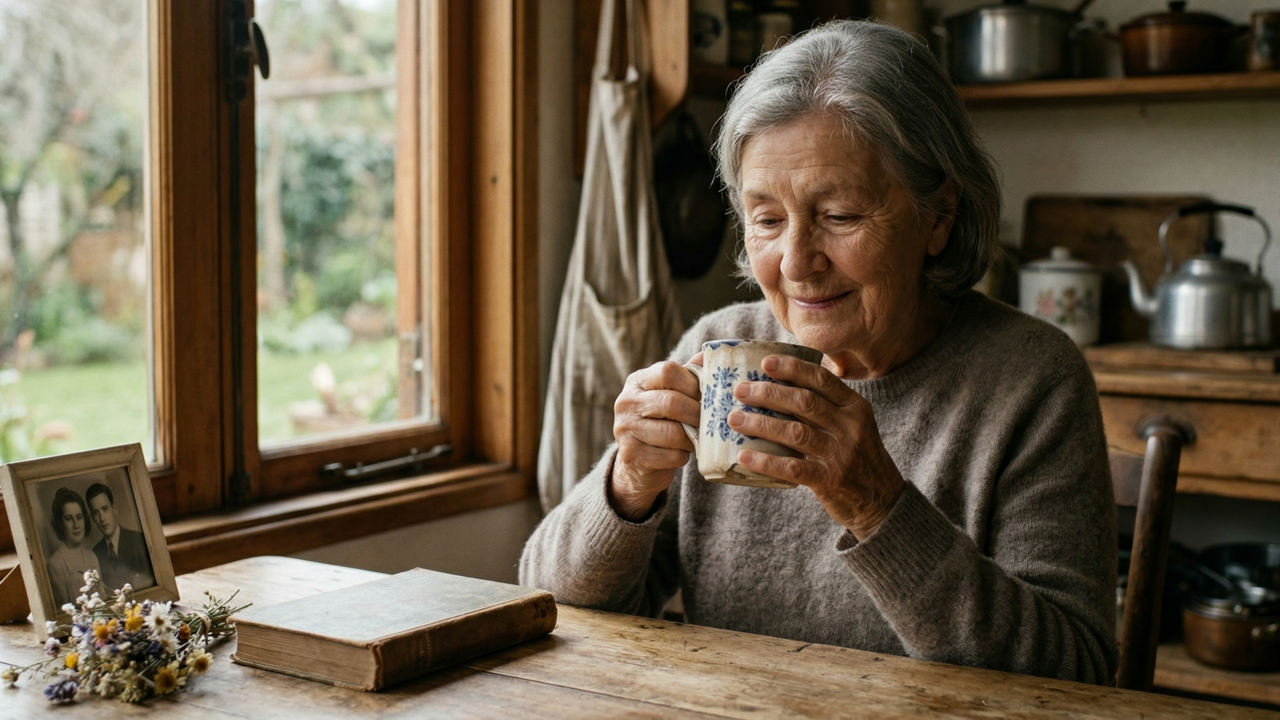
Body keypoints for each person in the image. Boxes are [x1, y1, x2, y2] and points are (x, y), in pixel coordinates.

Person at [520, 20, 1117, 684]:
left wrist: (876, 504)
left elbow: (1078, 676)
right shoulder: (718, 351)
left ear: (939, 217)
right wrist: (628, 487)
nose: (796, 263)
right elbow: (554, 604)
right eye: (767, 220)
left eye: (840, 216)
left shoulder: (1033, 380)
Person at [86, 482, 155, 592]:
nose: (102, 518)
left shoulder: (138, 540)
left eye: (105, 509)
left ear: (114, 508)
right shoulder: (96, 553)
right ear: (92, 517)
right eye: (96, 513)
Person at [45, 488, 101, 608]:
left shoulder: (92, 557)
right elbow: (63, 613)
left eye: (79, 517)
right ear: (60, 523)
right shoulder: (55, 565)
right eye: (69, 519)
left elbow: (101, 599)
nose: (76, 525)